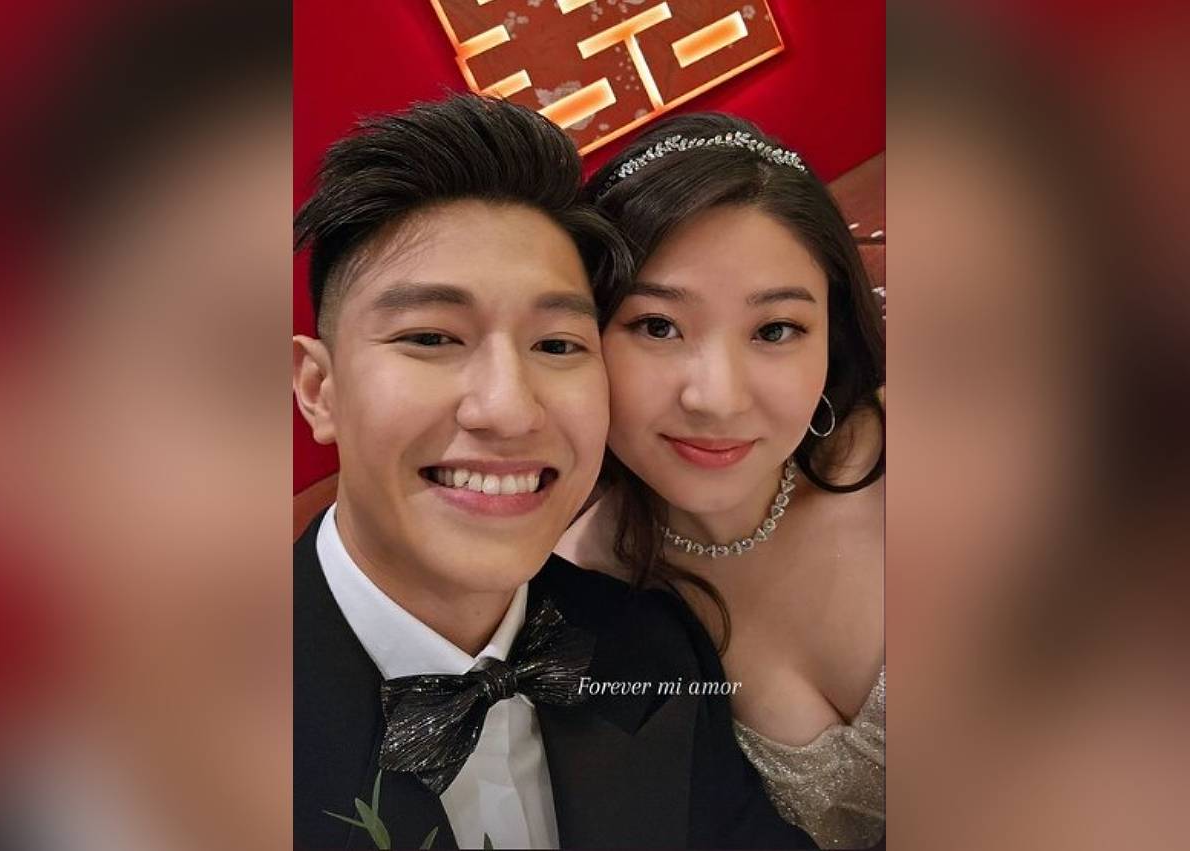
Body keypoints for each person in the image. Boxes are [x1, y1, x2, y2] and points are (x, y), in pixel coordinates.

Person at [292, 95, 814, 850]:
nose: (510, 410)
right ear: (320, 389)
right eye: (432, 337)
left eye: (558, 345)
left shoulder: (653, 642)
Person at [556, 113, 885, 849]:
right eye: (657, 326)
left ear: (831, 333)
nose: (718, 398)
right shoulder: (582, 599)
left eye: (774, 330)